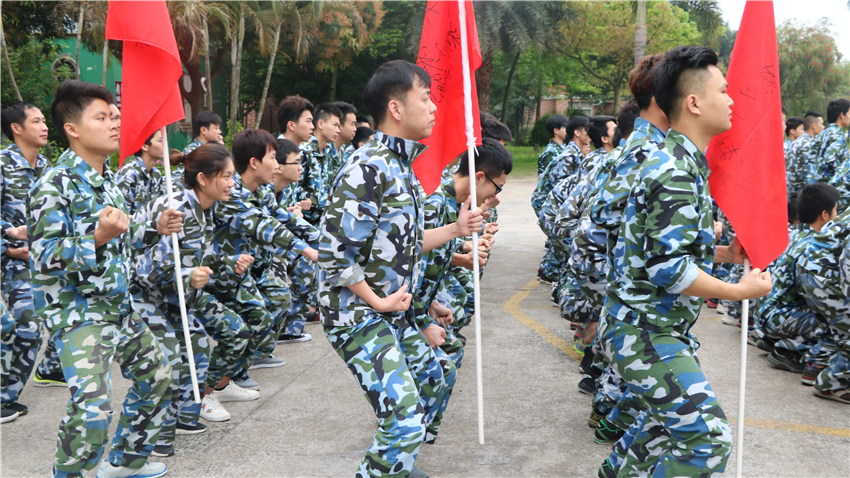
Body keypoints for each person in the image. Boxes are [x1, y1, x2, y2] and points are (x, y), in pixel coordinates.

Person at [596, 46, 772, 478]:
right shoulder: (673, 169)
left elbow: (657, 248)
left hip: (650, 326)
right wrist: (737, 290)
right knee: (707, 441)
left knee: (660, 429)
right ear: (694, 102)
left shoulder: (681, 163)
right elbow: (668, 270)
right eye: (724, 91)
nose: (732, 100)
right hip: (645, 332)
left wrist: (725, 255)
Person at [318, 60, 482, 478]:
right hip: (358, 314)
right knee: (405, 419)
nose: (433, 109)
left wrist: (456, 229)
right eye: (424, 98)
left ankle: (398, 463)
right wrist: (377, 299)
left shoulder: (399, 167)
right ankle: (390, 459)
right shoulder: (368, 166)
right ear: (395, 108)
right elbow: (336, 253)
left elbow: (406, 242)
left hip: (393, 312)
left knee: (436, 372)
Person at [30, 80, 183, 478]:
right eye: (102, 117)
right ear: (73, 128)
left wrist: (155, 227)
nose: (115, 124)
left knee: (160, 377)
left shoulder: (106, 179)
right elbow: (43, 256)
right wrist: (97, 237)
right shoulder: (53, 183)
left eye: (115, 116)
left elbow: (125, 235)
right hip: (80, 314)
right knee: (93, 409)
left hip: (119, 307)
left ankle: (127, 462)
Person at [132, 144, 245, 452]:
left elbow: (199, 257)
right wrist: (187, 277)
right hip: (142, 294)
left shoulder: (207, 208)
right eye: (226, 176)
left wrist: (227, 263)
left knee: (197, 344)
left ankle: (184, 416)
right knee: (168, 358)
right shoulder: (176, 208)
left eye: (233, 176)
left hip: (175, 296)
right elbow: (146, 265)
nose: (232, 183)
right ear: (203, 179)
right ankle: (154, 441)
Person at [1, 100, 52, 416]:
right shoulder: (2, 166)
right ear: (16, 128)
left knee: (39, 331)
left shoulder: (47, 168)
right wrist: (8, 243)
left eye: (44, 119)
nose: (44, 126)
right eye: (36, 121)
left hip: (46, 263)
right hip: (14, 262)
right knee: (27, 328)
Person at [758, 183, 838, 375]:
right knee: (834, 318)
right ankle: (789, 349)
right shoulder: (816, 247)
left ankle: (773, 338)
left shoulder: (796, 234)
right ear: (825, 214)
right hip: (779, 316)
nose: (838, 216)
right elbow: (818, 299)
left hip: (767, 311)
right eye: (836, 210)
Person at [796, 206, 850, 403]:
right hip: (826, 276)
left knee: (833, 328)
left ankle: (816, 364)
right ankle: (832, 384)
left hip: (814, 270)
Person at [273, 138, 320, 340]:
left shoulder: (284, 189)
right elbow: (269, 219)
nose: (301, 167)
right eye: (296, 163)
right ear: (279, 167)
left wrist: (289, 211)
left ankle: (291, 330)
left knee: (306, 267)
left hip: (280, 244)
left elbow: (279, 214)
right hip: (259, 251)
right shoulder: (265, 189)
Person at [298, 103, 342, 226]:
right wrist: (314, 201)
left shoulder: (327, 151)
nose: (338, 130)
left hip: (324, 220)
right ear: (321, 124)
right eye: (335, 125)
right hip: (304, 222)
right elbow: (293, 188)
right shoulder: (304, 151)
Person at [116, 130, 164, 215]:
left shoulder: (156, 174)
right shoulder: (129, 174)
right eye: (160, 141)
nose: (165, 144)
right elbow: (122, 215)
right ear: (145, 146)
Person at [806, 98, 849, 184]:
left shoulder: (823, 133)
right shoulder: (837, 134)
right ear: (841, 115)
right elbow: (830, 160)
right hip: (826, 185)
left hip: (813, 182)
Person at [175, 111, 222, 188]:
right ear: (203, 130)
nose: (219, 132)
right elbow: (180, 177)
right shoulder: (192, 151)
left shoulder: (211, 149)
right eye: (216, 128)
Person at [786, 111, 823, 193]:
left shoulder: (796, 142)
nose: (823, 127)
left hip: (790, 191)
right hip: (800, 194)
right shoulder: (808, 145)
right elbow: (809, 174)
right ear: (813, 126)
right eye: (821, 124)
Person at [330, 101, 358, 179]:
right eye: (352, 124)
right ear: (339, 125)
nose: (355, 129)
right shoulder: (325, 150)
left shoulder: (342, 150)